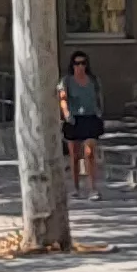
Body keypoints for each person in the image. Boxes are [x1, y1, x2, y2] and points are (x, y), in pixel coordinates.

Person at [59, 50, 107, 189]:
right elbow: (63, 99)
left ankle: (92, 187)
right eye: (77, 63)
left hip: (90, 118)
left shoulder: (93, 80)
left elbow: (99, 97)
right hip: (74, 120)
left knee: (90, 153)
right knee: (75, 156)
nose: (80, 66)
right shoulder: (66, 81)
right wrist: (67, 114)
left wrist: (99, 112)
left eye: (83, 63)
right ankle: (76, 186)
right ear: (72, 65)